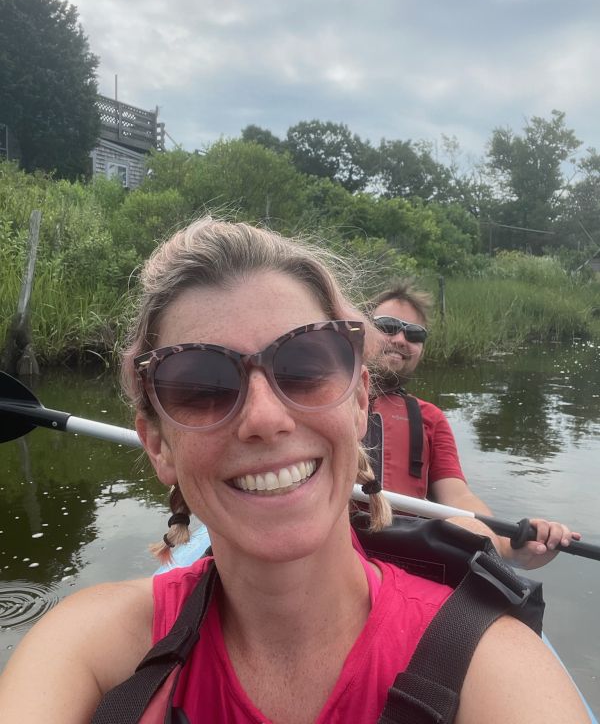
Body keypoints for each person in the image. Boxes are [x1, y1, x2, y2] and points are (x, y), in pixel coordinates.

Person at [0, 218, 588, 723]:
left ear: (359, 401)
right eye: (201, 385)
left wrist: (506, 542)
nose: (263, 418)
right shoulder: (86, 651)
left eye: (305, 366)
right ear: (156, 442)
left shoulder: (494, 670)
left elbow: (456, 496)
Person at [369, 280, 581, 570]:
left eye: (415, 333)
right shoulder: (323, 397)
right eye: (389, 325)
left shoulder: (430, 418)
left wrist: (507, 546)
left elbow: (457, 497)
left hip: (401, 557)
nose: (402, 338)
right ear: (361, 330)